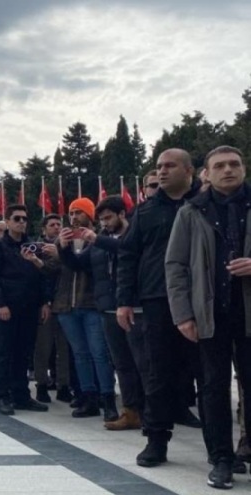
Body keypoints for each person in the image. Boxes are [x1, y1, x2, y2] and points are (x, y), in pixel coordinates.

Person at [166, 145, 251, 489]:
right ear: (207, 173)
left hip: (248, 313)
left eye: (234, 164)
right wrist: (183, 314)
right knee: (213, 388)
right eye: (220, 166)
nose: (228, 170)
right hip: (209, 314)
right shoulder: (191, 211)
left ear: (243, 168)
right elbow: (175, 265)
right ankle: (221, 459)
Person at [117, 148, 202, 468]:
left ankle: (219, 446)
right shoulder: (146, 211)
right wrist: (124, 300)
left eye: (170, 166)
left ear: (189, 170)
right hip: (157, 298)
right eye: (159, 166)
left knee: (208, 373)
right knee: (158, 372)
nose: (162, 171)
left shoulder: (205, 204)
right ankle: (156, 440)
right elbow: (128, 256)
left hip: (203, 298)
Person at [59, 195, 143, 431]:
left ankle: (148, 411)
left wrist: (97, 239)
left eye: (108, 218)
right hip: (107, 307)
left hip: (134, 307)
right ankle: (130, 411)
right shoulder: (100, 241)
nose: (105, 223)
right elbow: (78, 264)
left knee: (141, 363)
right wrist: (63, 248)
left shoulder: (131, 235)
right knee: (122, 363)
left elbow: (127, 250)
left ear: (122, 214)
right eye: (102, 219)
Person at [0, 204, 52, 416]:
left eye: (24, 219)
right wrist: (0, 303)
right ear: (8, 221)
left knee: (24, 352)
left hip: (29, 307)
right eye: (17, 218)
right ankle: (1, 395)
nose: (22, 222)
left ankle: (21, 395)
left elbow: (43, 276)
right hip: (6, 307)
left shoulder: (33, 247)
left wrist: (44, 302)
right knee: (3, 352)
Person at [53, 198, 118, 422]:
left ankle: (107, 399)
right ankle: (87, 397)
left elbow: (84, 265)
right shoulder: (64, 240)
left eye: (79, 212)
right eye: (71, 213)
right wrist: (61, 248)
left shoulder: (98, 239)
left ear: (90, 216)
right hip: (66, 305)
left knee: (99, 354)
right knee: (80, 355)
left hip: (91, 304)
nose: (74, 217)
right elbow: (65, 267)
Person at [33, 214, 72, 404]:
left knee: (64, 348)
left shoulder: (66, 246)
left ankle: (63, 385)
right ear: (44, 229)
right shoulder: (37, 249)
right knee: (43, 346)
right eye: (52, 225)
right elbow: (39, 277)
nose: (56, 227)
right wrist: (44, 301)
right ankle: (41, 383)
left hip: (64, 302)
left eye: (59, 224)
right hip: (45, 303)